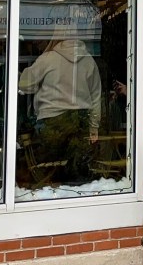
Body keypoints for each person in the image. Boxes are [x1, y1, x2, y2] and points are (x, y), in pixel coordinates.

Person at [18, 34, 102, 183]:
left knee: (48, 172)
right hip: (80, 121)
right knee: (77, 173)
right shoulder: (89, 60)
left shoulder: (48, 58)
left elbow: (25, 85)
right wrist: (93, 128)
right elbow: (96, 98)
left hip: (51, 121)